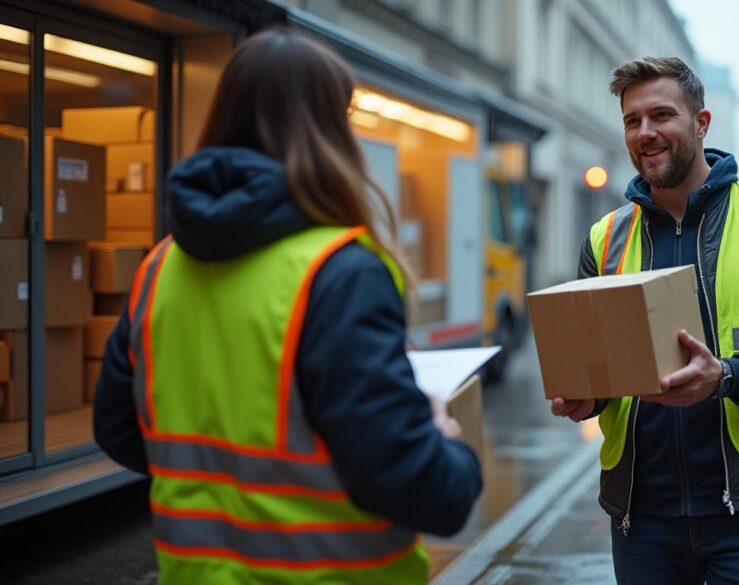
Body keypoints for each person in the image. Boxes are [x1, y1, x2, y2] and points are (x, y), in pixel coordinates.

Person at [92, 28, 482, 585]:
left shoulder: (159, 268)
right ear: (330, 127)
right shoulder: (341, 271)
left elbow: (118, 429)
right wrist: (449, 444)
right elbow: (428, 496)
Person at [551, 57, 739, 584]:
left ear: (702, 122)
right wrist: (586, 396)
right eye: (631, 120)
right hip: (641, 518)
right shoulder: (605, 239)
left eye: (662, 115)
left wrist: (727, 376)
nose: (645, 133)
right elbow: (601, 371)